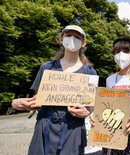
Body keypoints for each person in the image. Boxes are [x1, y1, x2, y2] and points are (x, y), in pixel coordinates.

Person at [11, 25, 97, 155]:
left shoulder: (90, 72)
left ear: (83, 43)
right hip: (45, 127)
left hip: (73, 129)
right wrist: (17, 103)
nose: (72, 39)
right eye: (68, 36)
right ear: (61, 39)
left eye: (77, 37)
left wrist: (86, 112)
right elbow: (37, 98)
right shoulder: (46, 67)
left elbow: (91, 105)